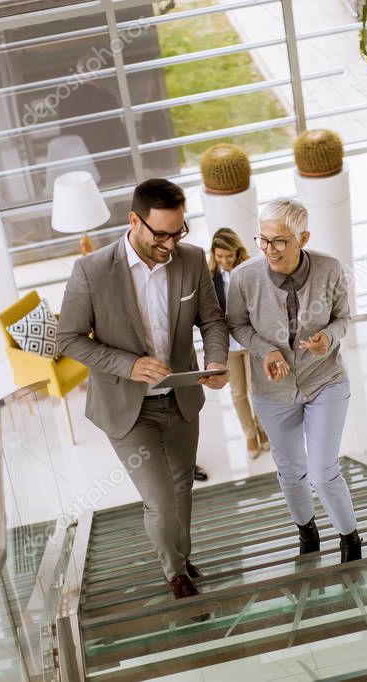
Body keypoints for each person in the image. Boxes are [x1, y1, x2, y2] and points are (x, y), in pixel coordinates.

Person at [56, 178, 229, 602]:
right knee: (161, 500)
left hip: (182, 398)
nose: (171, 244)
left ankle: (183, 558)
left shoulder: (190, 260)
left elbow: (211, 321)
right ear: (134, 221)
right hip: (127, 409)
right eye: (161, 234)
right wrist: (129, 365)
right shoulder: (91, 271)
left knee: (183, 487)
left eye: (178, 232)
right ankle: (174, 571)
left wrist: (216, 361)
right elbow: (69, 338)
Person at [226, 198, 362, 563]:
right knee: (290, 472)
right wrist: (265, 350)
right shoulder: (244, 278)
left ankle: (350, 541)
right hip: (273, 391)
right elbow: (237, 325)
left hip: (325, 381)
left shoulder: (330, 269)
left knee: (322, 470)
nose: (269, 250)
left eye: (280, 241)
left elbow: (343, 318)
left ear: (303, 237)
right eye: (263, 240)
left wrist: (328, 339)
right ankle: (308, 533)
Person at [209, 228, 271, 458]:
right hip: (229, 346)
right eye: (219, 256)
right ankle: (249, 433)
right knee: (238, 393)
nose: (224, 261)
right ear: (213, 255)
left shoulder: (250, 272)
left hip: (252, 341)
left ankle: (263, 428)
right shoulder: (209, 279)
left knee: (257, 390)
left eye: (229, 256)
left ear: (237, 253)